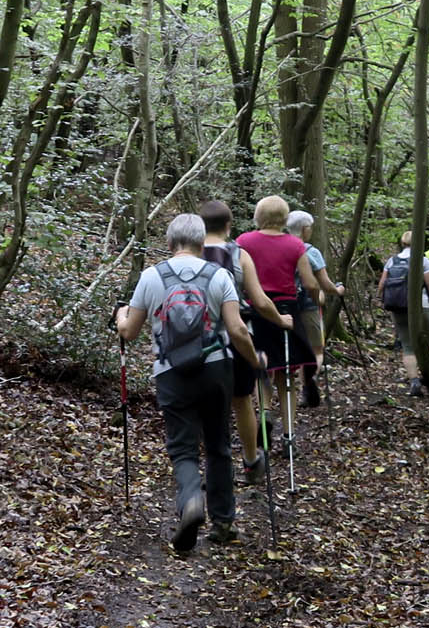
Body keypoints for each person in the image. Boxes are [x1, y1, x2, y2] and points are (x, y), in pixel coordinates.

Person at [115, 212, 261, 554]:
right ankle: (223, 523)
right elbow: (237, 329)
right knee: (218, 444)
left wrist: (121, 315)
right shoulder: (220, 274)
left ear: (169, 243)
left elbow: (130, 331)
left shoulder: (151, 276)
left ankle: (192, 499)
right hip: (216, 369)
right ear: (201, 243)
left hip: (170, 371)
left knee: (182, 447)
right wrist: (256, 361)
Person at [199, 199, 289, 482]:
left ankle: (210, 464)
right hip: (236, 335)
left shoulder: (189, 253)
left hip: (198, 338)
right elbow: (260, 301)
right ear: (229, 226)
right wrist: (281, 320)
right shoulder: (238, 254)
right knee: (242, 400)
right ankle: (251, 461)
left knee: (206, 402)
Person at [236, 196, 314, 460]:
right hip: (286, 310)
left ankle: (265, 412)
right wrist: (318, 295)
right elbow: (308, 282)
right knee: (287, 374)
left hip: (255, 309)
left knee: (262, 367)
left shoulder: (244, 241)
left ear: (258, 216)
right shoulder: (295, 244)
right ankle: (289, 434)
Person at [285, 209, 342, 408]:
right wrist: (337, 290)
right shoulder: (311, 251)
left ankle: (294, 390)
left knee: (292, 350)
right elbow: (325, 283)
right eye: (310, 227)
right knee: (316, 349)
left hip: (285, 307)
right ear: (304, 229)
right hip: (309, 305)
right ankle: (308, 383)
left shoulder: (281, 248)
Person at [382, 230, 429, 396]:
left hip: (397, 307)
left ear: (402, 243)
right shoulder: (422, 260)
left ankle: (414, 382)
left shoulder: (392, 260)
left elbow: (382, 285)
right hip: (421, 306)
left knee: (407, 345)